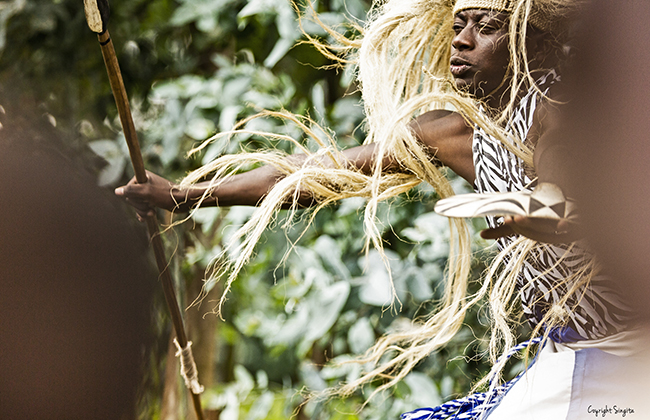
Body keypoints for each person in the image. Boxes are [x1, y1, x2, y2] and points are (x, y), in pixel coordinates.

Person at [117, 0, 647, 418]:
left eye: (484, 26)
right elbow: (315, 174)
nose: (461, 40)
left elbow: (596, 207)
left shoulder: (564, 113)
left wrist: (554, 218)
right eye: (459, 23)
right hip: (568, 356)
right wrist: (183, 196)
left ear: (530, 41)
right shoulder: (454, 134)